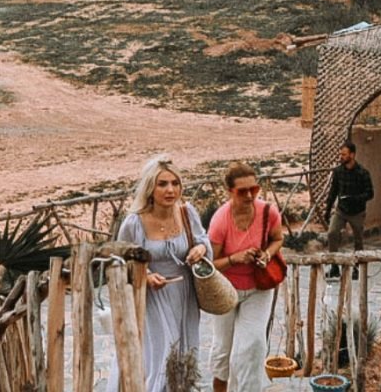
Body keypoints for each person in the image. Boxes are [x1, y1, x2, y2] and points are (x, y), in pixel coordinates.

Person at [106, 155, 211, 392]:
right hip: (152, 297)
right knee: (160, 355)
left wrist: (201, 248)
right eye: (162, 184)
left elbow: (203, 238)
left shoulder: (187, 213)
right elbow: (120, 259)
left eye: (175, 183)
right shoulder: (134, 223)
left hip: (184, 295)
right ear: (150, 188)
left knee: (183, 351)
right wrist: (145, 275)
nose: (170, 190)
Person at [208, 162, 284, 392]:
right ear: (229, 191)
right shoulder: (221, 220)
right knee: (223, 349)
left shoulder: (268, 212)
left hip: (257, 288)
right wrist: (235, 258)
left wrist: (267, 255)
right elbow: (211, 265)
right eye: (243, 191)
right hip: (225, 290)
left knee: (252, 346)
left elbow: (278, 239)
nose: (250, 195)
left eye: (254, 189)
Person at [324, 141, 374, 280]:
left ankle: (357, 266)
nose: (341, 157)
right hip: (341, 210)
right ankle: (334, 266)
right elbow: (333, 191)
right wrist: (327, 210)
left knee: (358, 240)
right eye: (341, 154)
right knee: (332, 233)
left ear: (352, 155)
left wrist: (355, 198)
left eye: (344, 154)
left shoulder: (363, 173)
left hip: (357, 211)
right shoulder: (338, 171)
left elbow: (370, 193)